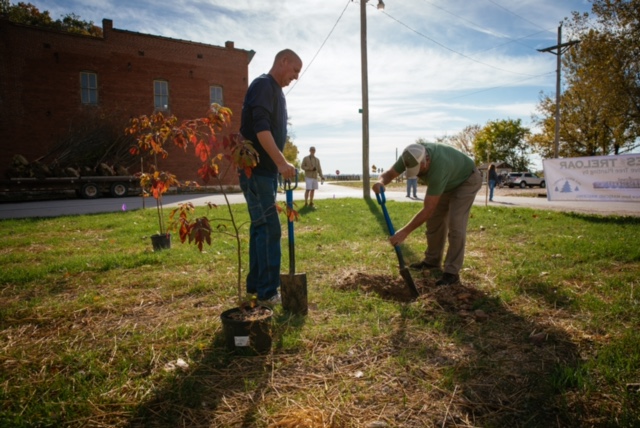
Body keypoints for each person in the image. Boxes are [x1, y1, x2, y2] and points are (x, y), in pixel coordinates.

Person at [239, 49, 301, 305]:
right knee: (268, 229)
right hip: (256, 172)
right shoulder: (264, 85)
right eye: (295, 70)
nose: (296, 76)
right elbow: (261, 127)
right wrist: (280, 161)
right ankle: (267, 292)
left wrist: (279, 165)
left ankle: (256, 286)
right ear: (283, 61)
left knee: (259, 228)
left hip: (264, 173)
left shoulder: (276, 92)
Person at [372, 142, 481, 286]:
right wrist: (380, 182)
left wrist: (404, 232)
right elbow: (390, 174)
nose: (417, 173)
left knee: (456, 224)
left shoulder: (439, 167)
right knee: (435, 221)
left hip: (466, 180)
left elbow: (428, 209)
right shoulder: (409, 156)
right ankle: (432, 261)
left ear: (427, 160)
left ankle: (452, 273)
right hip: (446, 183)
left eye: (418, 169)